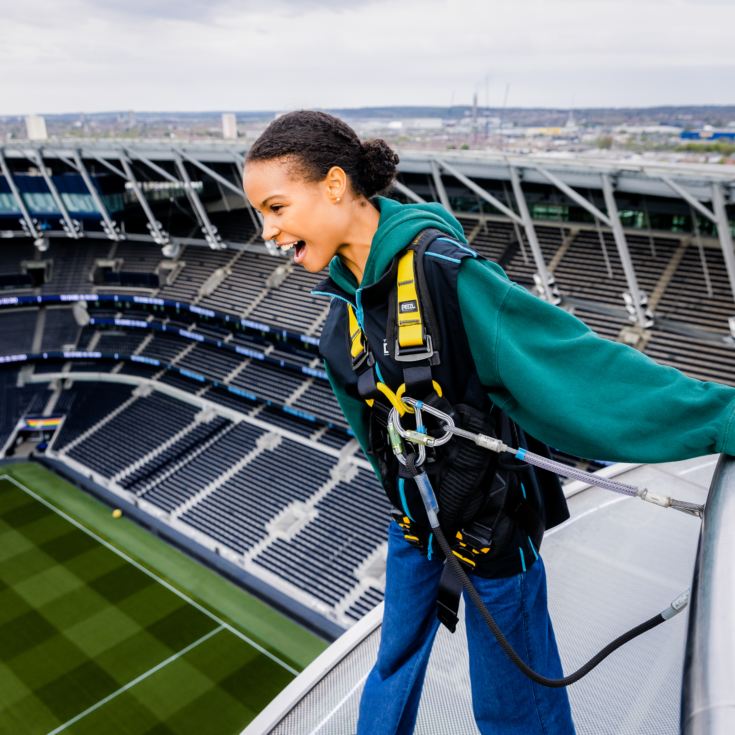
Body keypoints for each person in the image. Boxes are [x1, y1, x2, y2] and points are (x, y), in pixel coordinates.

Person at [243, 110, 735, 735]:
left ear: (335, 185)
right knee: (391, 668)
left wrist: (725, 415)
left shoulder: (447, 275)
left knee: (510, 704)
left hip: (491, 526)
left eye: (277, 207)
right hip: (419, 524)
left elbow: (578, 367)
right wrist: (415, 507)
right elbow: (375, 445)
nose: (268, 230)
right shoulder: (343, 322)